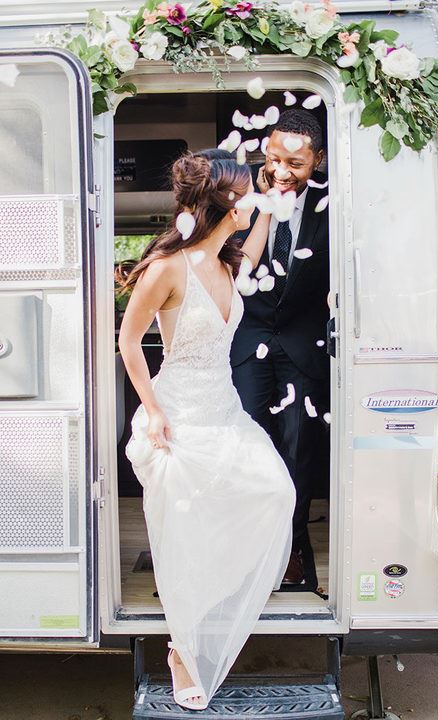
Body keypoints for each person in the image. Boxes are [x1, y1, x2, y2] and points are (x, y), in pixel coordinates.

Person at [117, 153, 295, 710]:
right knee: (186, 538)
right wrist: (154, 411)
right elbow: (128, 341)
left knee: (275, 492)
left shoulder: (226, 260)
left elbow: (256, 248)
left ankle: (208, 609)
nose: (253, 201)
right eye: (246, 194)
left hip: (224, 411)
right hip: (179, 417)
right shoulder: (167, 268)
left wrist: (268, 199)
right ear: (222, 202)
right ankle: (183, 651)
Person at [231, 109, 330, 591]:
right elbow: (229, 267)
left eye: (296, 163)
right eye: (274, 159)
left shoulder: (335, 203)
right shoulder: (241, 194)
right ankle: (250, 551)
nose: (282, 172)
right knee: (249, 448)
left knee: (297, 451)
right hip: (248, 344)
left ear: (319, 159)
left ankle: (292, 550)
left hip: (302, 346)